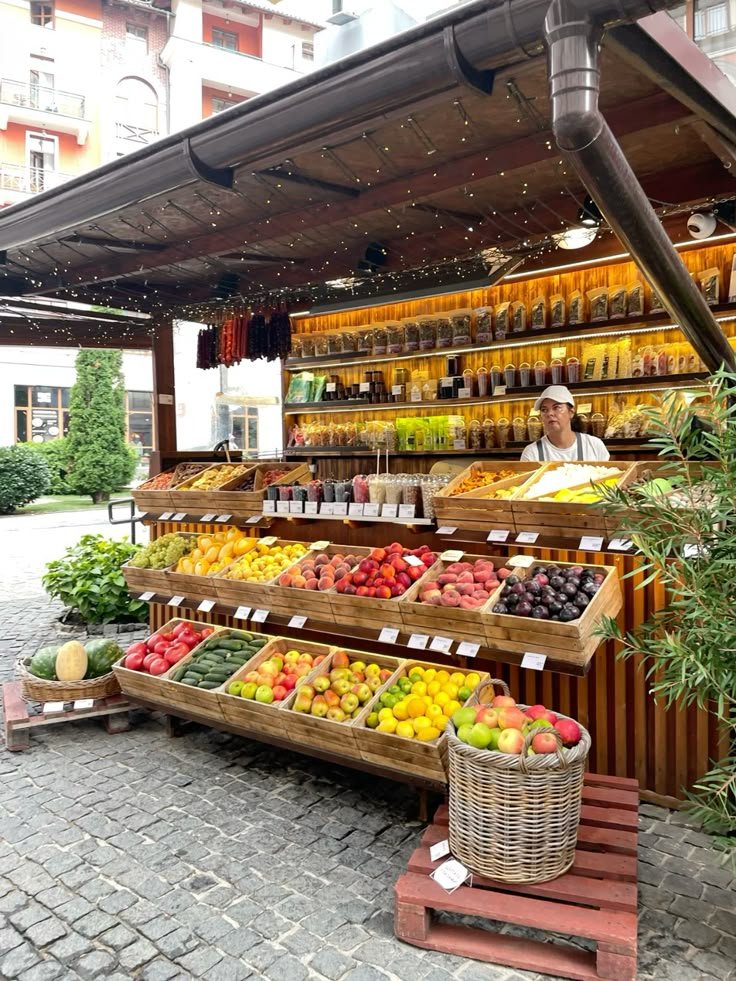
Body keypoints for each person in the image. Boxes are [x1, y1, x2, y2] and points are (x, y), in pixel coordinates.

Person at [520, 385, 609, 462]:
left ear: (571, 412)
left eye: (557, 407)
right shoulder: (531, 453)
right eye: (544, 410)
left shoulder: (594, 445)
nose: (549, 413)